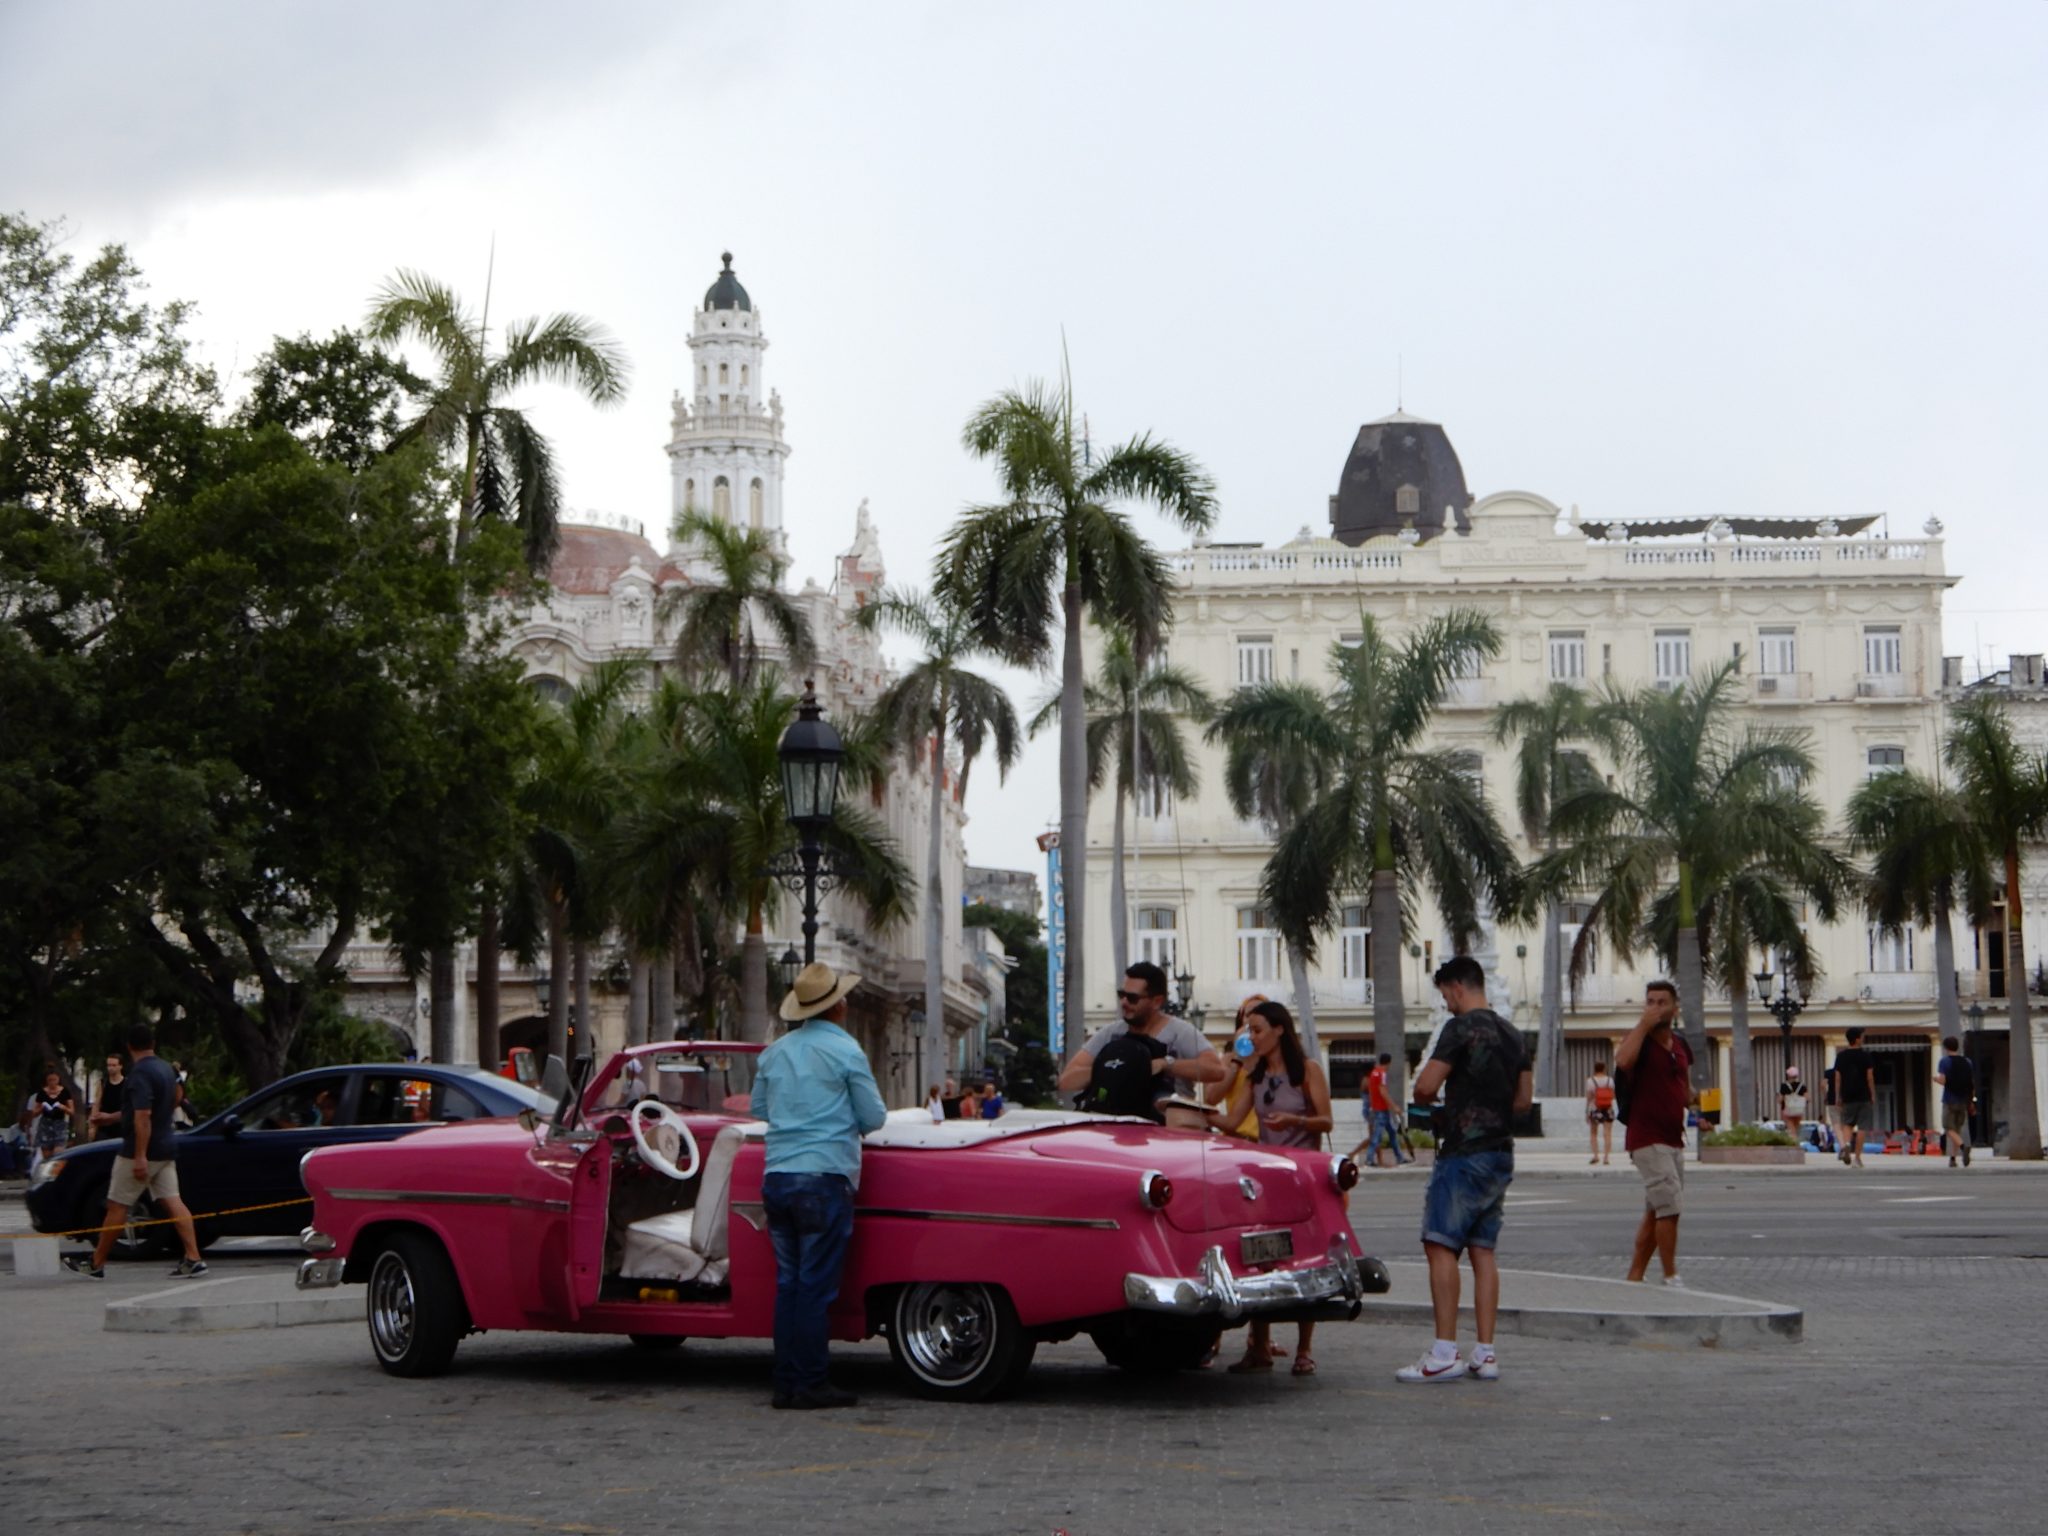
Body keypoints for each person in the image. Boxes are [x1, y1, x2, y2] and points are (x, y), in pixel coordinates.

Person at [751, 960, 887, 1410]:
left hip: (777, 1175)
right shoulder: (846, 1051)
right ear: (840, 1007)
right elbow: (873, 1118)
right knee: (814, 1285)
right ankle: (810, 1380)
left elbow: (760, 1109)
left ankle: (785, 1381)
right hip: (825, 1175)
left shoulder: (775, 1052)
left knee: (789, 1283)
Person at [1396, 956, 1530, 1384]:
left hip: (1462, 1153)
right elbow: (1524, 1102)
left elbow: (1425, 1086)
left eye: (1445, 994)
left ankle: (1444, 1351)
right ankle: (1486, 1353)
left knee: (1440, 1245)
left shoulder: (1460, 1029)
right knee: (1483, 1251)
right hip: (1500, 1153)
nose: (1447, 1004)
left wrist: (1449, 1105)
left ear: (1456, 986)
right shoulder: (1513, 1034)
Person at [1206, 1000, 1333, 1376]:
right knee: (1259, 1257)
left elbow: (1325, 1121)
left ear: (1279, 1030)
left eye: (1258, 1029)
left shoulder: (1306, 1070)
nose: (1252, 1037)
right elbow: (1231, 1119)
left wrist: (1296, 1119)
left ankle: (1304, 1348)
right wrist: (1194, 1113)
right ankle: (1259, 1345)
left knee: (1305, 1258)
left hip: (1301, 1174)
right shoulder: (1256, 1075)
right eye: (1248, 1030)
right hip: (1266, 1176)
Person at [63, 1023, 207, 1279]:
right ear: (152, 1044)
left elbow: (142, 1116)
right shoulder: (165, 1068)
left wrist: (139, 1155)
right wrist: (112, 1119)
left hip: (140, 1151)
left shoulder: (139, 1074)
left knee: (117, 1205)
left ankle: (96, 1263)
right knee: (174, 1202)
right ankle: (193, 1257)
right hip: (166, 1146)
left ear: (129, 1046)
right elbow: (176, 1095)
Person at [1055, 960, 1225, 1108]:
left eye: (1132, 998)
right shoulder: (1110, 1033)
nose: (1124, 1002)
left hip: (1166, 1128)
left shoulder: (1180, 1032)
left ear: (1157, 1001)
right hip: (1117, 1126)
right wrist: (1115, 1069)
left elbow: (1216, 1070)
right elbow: (1067, 1080)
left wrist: (1166, 1065)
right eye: (1121, 995)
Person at [1616, 982, 1694, 1288]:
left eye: (1662, 1002)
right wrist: (1642, 1025)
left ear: (1675, 1009)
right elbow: (1622, 1061)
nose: (1655, 1007)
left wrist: (1700, 1108)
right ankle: (1670, 1275)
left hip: (1674, 1138)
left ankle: (1635, 1275)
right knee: (1670, 1207)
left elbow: (1684, 1089)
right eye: (1650, 1002)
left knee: (1655, 1210)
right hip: (1647, 1138)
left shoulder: (1680, 1045)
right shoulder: (1640, 1040)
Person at [1205, 995, 1267, 1140]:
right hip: (1237, 1139)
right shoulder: (1228, 1060)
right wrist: (1237, 1059)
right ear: (1241, 1021)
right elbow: (1212, 1098)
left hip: (1267, 1142)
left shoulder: (1274, 1061)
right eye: (1248, 1015)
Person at [1353, 1054, 1413, 1169]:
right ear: (1389, 1063)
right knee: (1377, 1135)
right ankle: (1369, 1159)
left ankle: (1399, 1157)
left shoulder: (1374, 1073)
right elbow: (1383, 1091)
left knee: (1392, 1133)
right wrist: (1394, 1106)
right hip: (1381, 1109)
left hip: (1378, 1108)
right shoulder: (1382, 1074)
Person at [1830, 1028, 1878, 1168]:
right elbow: (1870, 1077)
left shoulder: (1841, 1056)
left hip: (1847, 1095)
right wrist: (1872, 1094)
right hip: (1863, 1096)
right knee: (1862, 1126)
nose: (1863, 1039)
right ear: (1857, 1039)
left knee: (1847, 1124)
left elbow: (1837, 1078)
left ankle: (1845, 1146)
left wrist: (1838, 1096)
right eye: (1862, 1037)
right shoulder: (1866, 1056)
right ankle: (1857, 1158)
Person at [22, 1069, 75, 1176]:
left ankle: (57, 1175)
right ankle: (48, 1175)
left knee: (58, 1152)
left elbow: (72, 1111)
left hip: (59, 1123)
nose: (52, 1083)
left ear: (58, 1080)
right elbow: (34, 1113)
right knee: (46, 1154)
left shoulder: (65, 1092)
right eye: (50, 1080)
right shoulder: (42, 1093)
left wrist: (63, 1107)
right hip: (46, 1124)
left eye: (54, 1080)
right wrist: (40, 1108)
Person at [1935, 1037, 1976, 1168]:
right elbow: (1971, 1083)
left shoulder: (1945, 1061)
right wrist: (1971, 1100)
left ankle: (1964, 1148)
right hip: (1963, 1099)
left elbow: (1943, 1080)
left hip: (1949, 1099)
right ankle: (1953, 1158)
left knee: (1948, 1128)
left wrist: (1935, 1079)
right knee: (1956, 1130)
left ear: (1946, 1048)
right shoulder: (1967, 1062)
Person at [89, 1053, 127, 1142]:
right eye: (109, 1065)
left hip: (120, 1125)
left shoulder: (127, 1083)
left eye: (114, 1065)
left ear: (120, 1066)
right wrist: (92, 1127)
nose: (111, 1068)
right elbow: (96, 1104)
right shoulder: (103, 1083)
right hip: (104, 1127)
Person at [1584, 1060, 1617, 1165]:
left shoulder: (1590, 1081)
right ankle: (1606, 1157)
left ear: (1594, 1069)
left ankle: (1596, 1156)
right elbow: (1613, 1094)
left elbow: (1589, 1097)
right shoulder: (1610, 1080)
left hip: (1595, 1108)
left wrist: (1586, 1111)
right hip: (1608, 1108)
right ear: (1604, 1069)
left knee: (1593, 1133)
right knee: (1607, 1134)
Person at [1777, 1064, 1808, 1143]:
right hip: (1798, 1110)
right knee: (1796, 1129)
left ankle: (1794, 1144)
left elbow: (1780, 1099)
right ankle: (1795, 1141)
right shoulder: (1802, 1086)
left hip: (1787, 1110)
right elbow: (1808, 1098)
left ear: (1788, 1075)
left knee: (1791, 1129)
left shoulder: (1784, 1086)